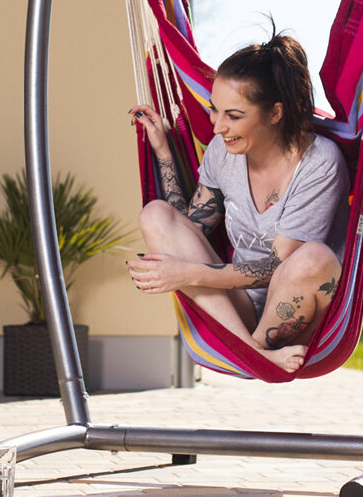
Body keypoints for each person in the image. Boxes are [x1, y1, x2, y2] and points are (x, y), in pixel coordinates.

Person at [126, 33, 350, 372]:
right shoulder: (224, 151)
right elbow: (190, 228)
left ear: (275, 113)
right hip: (236, 309)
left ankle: (251, 354)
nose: (217, 127)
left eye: (233, 115)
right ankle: (253, 353)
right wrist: (163, 153)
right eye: (215, 111)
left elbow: (275, 269)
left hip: (295, 306)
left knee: (314, 259)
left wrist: (185, 274)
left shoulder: (319, 163)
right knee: (156, 214)